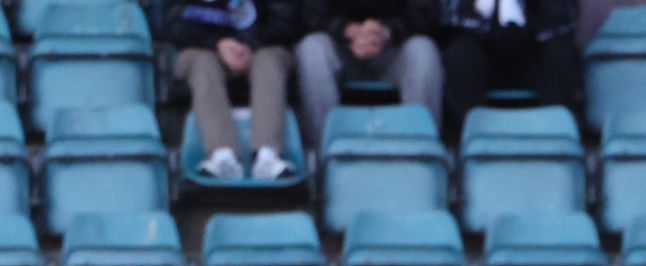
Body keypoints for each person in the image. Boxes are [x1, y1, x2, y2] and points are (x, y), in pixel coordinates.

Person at [167, 0, 301, 180]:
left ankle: (267, 155)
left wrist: (249, 44)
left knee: (270, 61)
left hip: (261, 46)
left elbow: (286, 21)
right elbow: (174, 24)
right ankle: (222, 155)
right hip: (204, 48)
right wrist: (217, 43)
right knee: (202, 63)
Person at [296, 0, 446, 146]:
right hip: (340, 45)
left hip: (395, 46)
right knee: (312, 49)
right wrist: (347, 29)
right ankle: (326, 149)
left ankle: (422, 151)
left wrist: (386, 31)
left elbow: (426, 12)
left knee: (423, 50)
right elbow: (311, 14)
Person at [440, 0, 581, 137]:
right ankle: (472, 137)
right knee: (461, 53)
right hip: (483, 45)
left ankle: (556, 137)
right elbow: (452, 18)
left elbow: (565, 21)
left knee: (559, 54)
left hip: (534, 47)